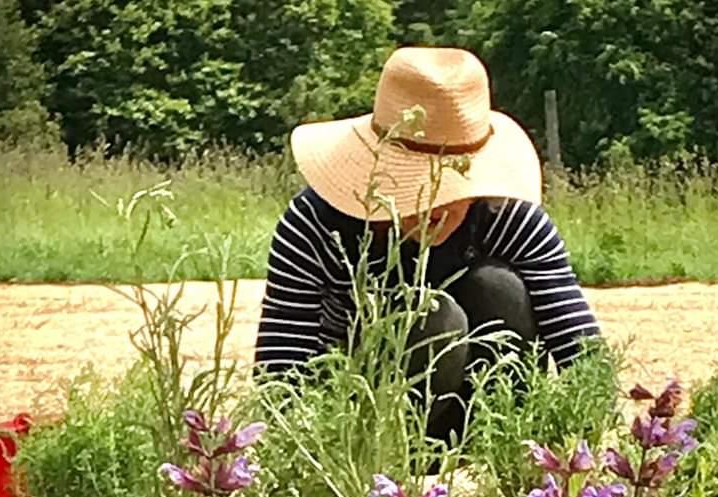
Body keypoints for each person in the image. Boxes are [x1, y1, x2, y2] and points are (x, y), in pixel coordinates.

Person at [254, 46, 601, 442]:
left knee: (499, 287)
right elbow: (281, 362)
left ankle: (501, 447)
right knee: (434, 316)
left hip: (487, 418)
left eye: (454, 185)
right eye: (416, 183)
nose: (437, 206)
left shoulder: (508, 218)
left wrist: (582, 451)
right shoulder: (318, 222)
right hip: (361, 423)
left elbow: (579, 345)